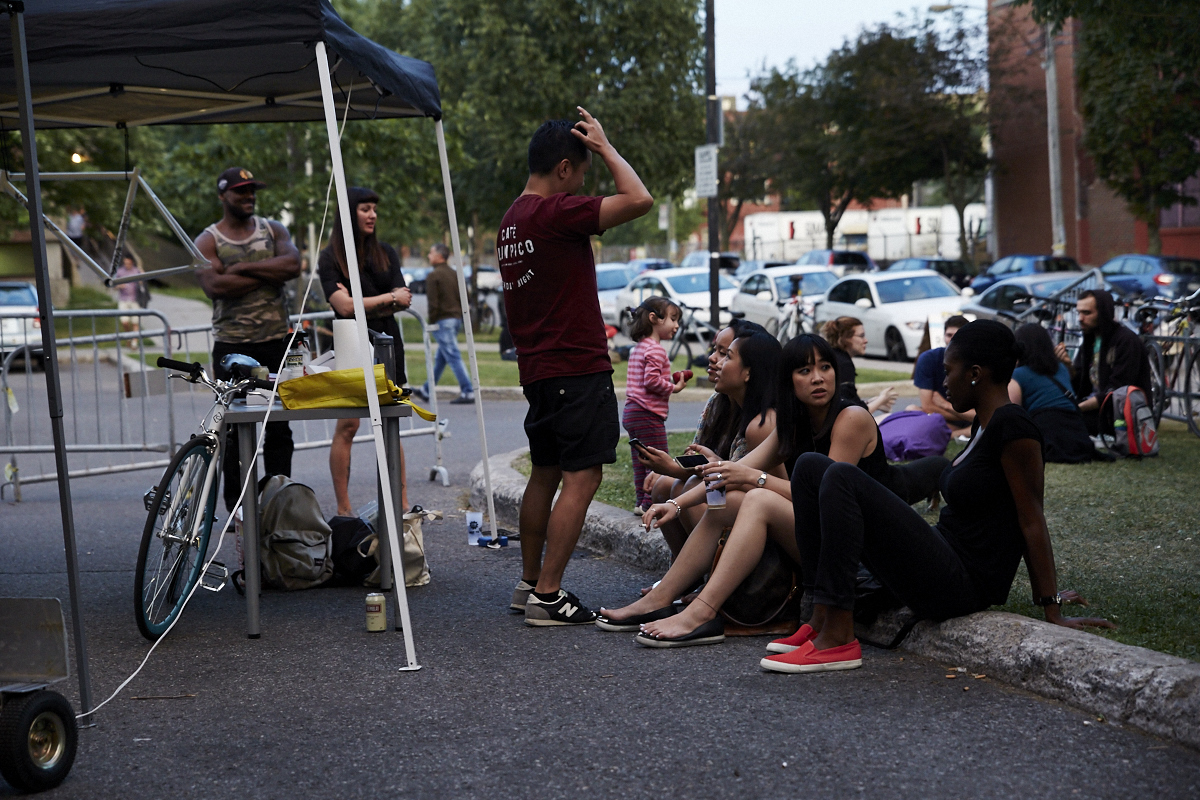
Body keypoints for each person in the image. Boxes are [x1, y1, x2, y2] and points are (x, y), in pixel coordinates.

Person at [761, 320, 1114, 674]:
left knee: (840, 474)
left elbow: (1031, 517)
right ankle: (820, 617)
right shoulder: (984, 425)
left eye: (948, 371)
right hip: (940, 554)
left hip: (961, 583)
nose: (943, 382)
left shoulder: (1015, 429)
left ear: (974, 373)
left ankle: (838, 637)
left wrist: (1051, 605)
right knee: (810, 467)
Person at [598, 333, 889, 646]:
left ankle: (702, 612)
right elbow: (734, 473)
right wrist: (677, 505)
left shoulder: (851, 418)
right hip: (817, 537)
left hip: (856, 555)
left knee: (758, 499)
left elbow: (826, 497)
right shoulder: (795, 422)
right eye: (804, 371)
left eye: (826, 368)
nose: (818, 378)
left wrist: (756, 479)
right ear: (787, 379)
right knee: (727, 500)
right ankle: (661, 599)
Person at [499, 108, 653, 626]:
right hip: (575, 366)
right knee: (582, 475)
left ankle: (527, 584)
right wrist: (607, 147)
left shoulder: (511, 220)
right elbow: (639, 199)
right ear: (564, 168)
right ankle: (549, 593)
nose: (586, 184)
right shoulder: (556, 212)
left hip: (539, 370)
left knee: (544, 472)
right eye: (584, 172)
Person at [196, 167, 301, 513]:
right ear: (223, 195)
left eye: (252, 191)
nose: (249, 197)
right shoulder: (208, 240)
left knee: (279, 428)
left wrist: (240, 269)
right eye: (241, 192)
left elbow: (293, 266)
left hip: (274, 343)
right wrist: (269, 272)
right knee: (234, 428)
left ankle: (278, 497)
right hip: (232, 347)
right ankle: (238, 503)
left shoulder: (273, 229)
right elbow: (215, 287)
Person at [635, 320, 777, 558]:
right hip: (728, 487)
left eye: (725, 354)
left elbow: (734, 477)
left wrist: (672, 468)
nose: (713, 359)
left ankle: (706, 579)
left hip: (752, 502)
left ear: (750, 368)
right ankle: (684, 577)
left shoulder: (762, 422)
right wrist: (673, 467)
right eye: (715, 350)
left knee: (687, 486)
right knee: (665, 485)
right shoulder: (718, 402)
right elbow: (699, 455)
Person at [318, 186, 412, 516]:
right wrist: (386, 299)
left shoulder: (386, 252)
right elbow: (343, 307)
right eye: (365, 209)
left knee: (390, 424)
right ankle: (344, 509)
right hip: (350, 343)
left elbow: (404, 298)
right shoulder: (330, 257)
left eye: (374, 208)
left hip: (388, 344)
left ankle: (400, 506)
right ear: (349, 214)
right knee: (348, 425)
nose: (372, 215)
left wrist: (366, 304)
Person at [1055, 289, 1152, 435]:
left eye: (1087, 313)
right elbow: (1080, 385)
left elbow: (1116, 391)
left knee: (1063, 423)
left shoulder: (1126, 341)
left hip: (1121, 417)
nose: (1080, 318)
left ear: (1103, 314)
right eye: (1078, 312)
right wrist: (1067, 366)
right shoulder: (1090, 339)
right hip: (1095, 409)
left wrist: (1076, 408)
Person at [623, 296, 688, 511]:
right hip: (648, 413)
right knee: (658, 460)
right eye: (672, 319)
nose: (676, 325)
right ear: (654, 318)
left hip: (632, 411)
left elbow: (645, 379)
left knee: (641, 460)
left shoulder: (638, 349)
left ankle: (641, 501)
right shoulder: (656, 350)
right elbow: (651, 381)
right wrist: (673, 387)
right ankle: (651, 503)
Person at [1010, 323, 1101, 463]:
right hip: (1076, 436)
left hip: (1047, 434)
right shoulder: (1061, 369)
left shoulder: (1017, 375)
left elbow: (1012, 415)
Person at [413, 242, 474, 405]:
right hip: (456, 319)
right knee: (442, 357)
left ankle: (468, 390)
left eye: (431, 253)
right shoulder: (455, 274)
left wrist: (431, 322)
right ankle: (427, 389)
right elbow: (466, 297)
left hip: (442, 319)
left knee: (452, 355)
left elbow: (433, 303)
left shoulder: (434, 276)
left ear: (439, 256)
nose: (428, 256)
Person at [911, 315, 973, 436]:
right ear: (943, 336)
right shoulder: (929, 358)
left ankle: (950, 434)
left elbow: (981, 413)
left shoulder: (977, 363)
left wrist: (945, 405)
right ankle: (957, 433)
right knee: (911, 409)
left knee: (990, 421)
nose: (952, 340)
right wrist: (966, 416)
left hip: (969, 420)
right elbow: (928, 407)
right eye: (949, 335)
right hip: (938, 418)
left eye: (958, 336)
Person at [821, 317, 898, 414]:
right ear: (845, 339)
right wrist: (882, 399)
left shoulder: (835, 357)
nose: (866, 340)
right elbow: (855, 413)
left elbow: (847, 402)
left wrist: (871, 402)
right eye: (861, 336)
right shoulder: (844, 365)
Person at [114, 253, 142, 333]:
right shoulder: (120, 271)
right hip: (123, 299)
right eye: (125, 263)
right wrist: (119, 286)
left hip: (135, 299)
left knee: (135, 322)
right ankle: (129, 336)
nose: (127, 265)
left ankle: (134, 342)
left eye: (128, 263)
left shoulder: (136, 271)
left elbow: (141, 284)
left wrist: (142, 276)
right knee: (124, 321)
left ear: (132, 262)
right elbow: (114, 285)